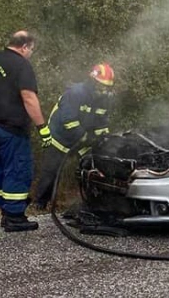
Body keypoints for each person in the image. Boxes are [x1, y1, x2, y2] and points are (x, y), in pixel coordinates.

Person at [0, 31, 49, 232]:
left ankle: (5, 212)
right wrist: (42, 128)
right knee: (17, 169)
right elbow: (28, 97)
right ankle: (15, 216)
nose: (31, 54)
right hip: (10, 128)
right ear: (25, 46)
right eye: (31, 50)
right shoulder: (21, 65)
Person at [33, 63, 116, 211]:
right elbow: (68, 120)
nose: (103, 90)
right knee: (51, 170)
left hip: (82, 139)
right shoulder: (76, 93)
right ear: (92, 82)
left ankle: (93, 200)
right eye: (101, 86)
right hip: (60, 138)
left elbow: (102, 122)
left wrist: (105, 139)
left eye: (106, 87)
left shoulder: (104, 99)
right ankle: (40, 202)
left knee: (92, 166)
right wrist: (84, 136)